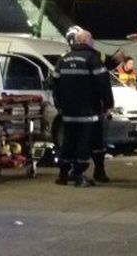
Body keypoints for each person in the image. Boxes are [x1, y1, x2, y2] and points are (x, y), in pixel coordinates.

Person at [52, 30, 114, 187]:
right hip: (88, 111)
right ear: (86, 41)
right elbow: (103, 84)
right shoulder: (93, 59)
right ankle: (79, 175)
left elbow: (54, 84)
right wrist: (108, 104)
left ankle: (63, 174)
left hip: (68, 111)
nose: (93, 43)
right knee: (84, 143)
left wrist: (59, 104)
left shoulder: (63, 59)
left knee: (68, 142)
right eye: (92, 39)